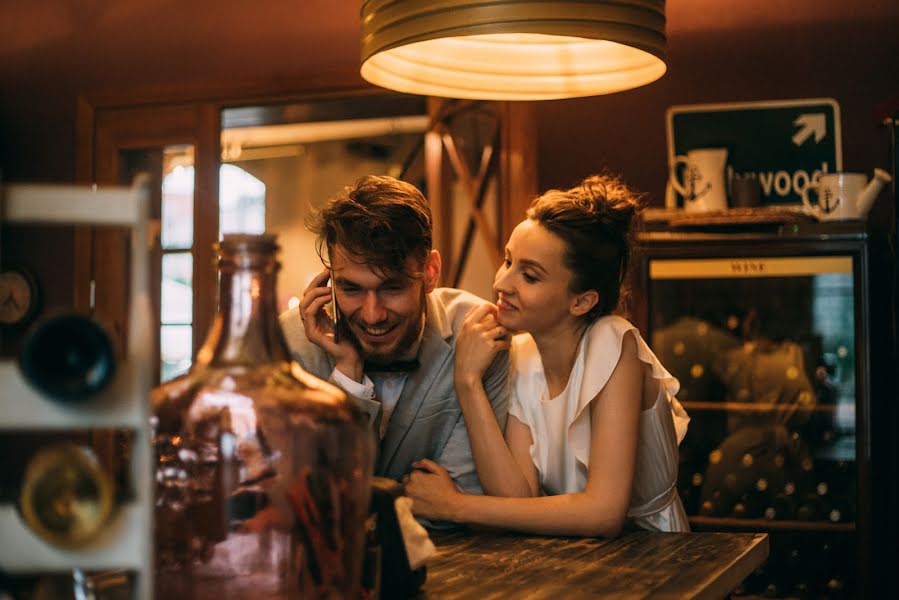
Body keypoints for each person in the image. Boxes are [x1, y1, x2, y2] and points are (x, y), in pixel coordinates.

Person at [404, 173, 691, 536]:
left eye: (530, 276)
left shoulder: (615, 344)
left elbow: (604, 513)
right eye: (508, 261)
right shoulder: (524, 352)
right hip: (571, 554)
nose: (501, 283)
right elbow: (515, 494)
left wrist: (456, 506)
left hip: (654, 553)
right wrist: (468, 381)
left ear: (582, 301)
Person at [279, 175, 510, 496]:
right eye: (351, 289)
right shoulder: (289, 344)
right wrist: (347, 373)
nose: (372, 314)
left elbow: (466, 497)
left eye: (392, 288)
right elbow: (305, 494)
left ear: (430, 273)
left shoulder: (477, 334)